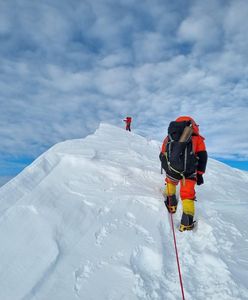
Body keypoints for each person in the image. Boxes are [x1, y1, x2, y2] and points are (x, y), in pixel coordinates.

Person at [159, 116, 207, 231]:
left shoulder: (169, 137)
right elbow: (202, 157)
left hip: (172, 170)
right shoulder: (197, 138)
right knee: (187, 194)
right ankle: (186, 223)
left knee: (170, 183)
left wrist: (167, 168)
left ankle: (171, 204)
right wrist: (199, 174)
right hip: (189, 173)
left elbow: (162, 154)